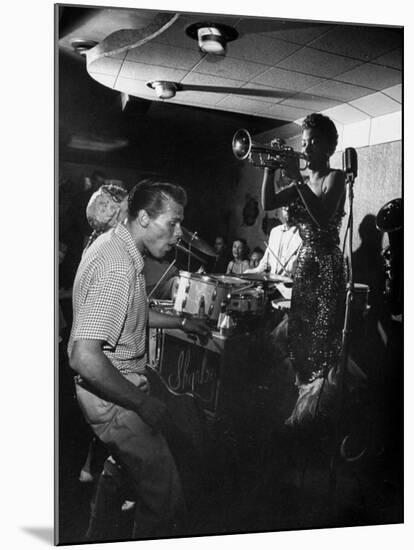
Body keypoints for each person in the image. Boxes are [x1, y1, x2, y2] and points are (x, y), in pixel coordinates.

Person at [68, 179, 210, 541]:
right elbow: (84, 356)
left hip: (110, 391)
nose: (179, 234)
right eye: (172, 223)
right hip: (113, 398)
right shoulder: (118, 264)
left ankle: (93, 536)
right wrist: (142, 403)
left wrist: (181, 321)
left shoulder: (116, 244)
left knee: (122, 471)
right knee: (166, 501)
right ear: (144, 218)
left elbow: (132, 310)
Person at [261, 113, 347, 426]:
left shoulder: (335, 177)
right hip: (307, 263)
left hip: (326, 263)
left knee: (322, 337)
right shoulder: (302, 183)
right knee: (300, 333)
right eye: (304, 142)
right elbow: (268, 202)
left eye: (312, 142)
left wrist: (296, 179)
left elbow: (324, 217)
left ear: (328, 148)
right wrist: (270, 171)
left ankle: (315, 413)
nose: (305, 147)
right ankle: (301, 401)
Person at [244, 207, 302, 278]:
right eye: (284, 208)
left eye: (290, 209)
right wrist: (253, 271)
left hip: (291, 284)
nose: (287, 212)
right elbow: (265, 262)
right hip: (273, 283)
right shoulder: (275, 231)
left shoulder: (301, 234)